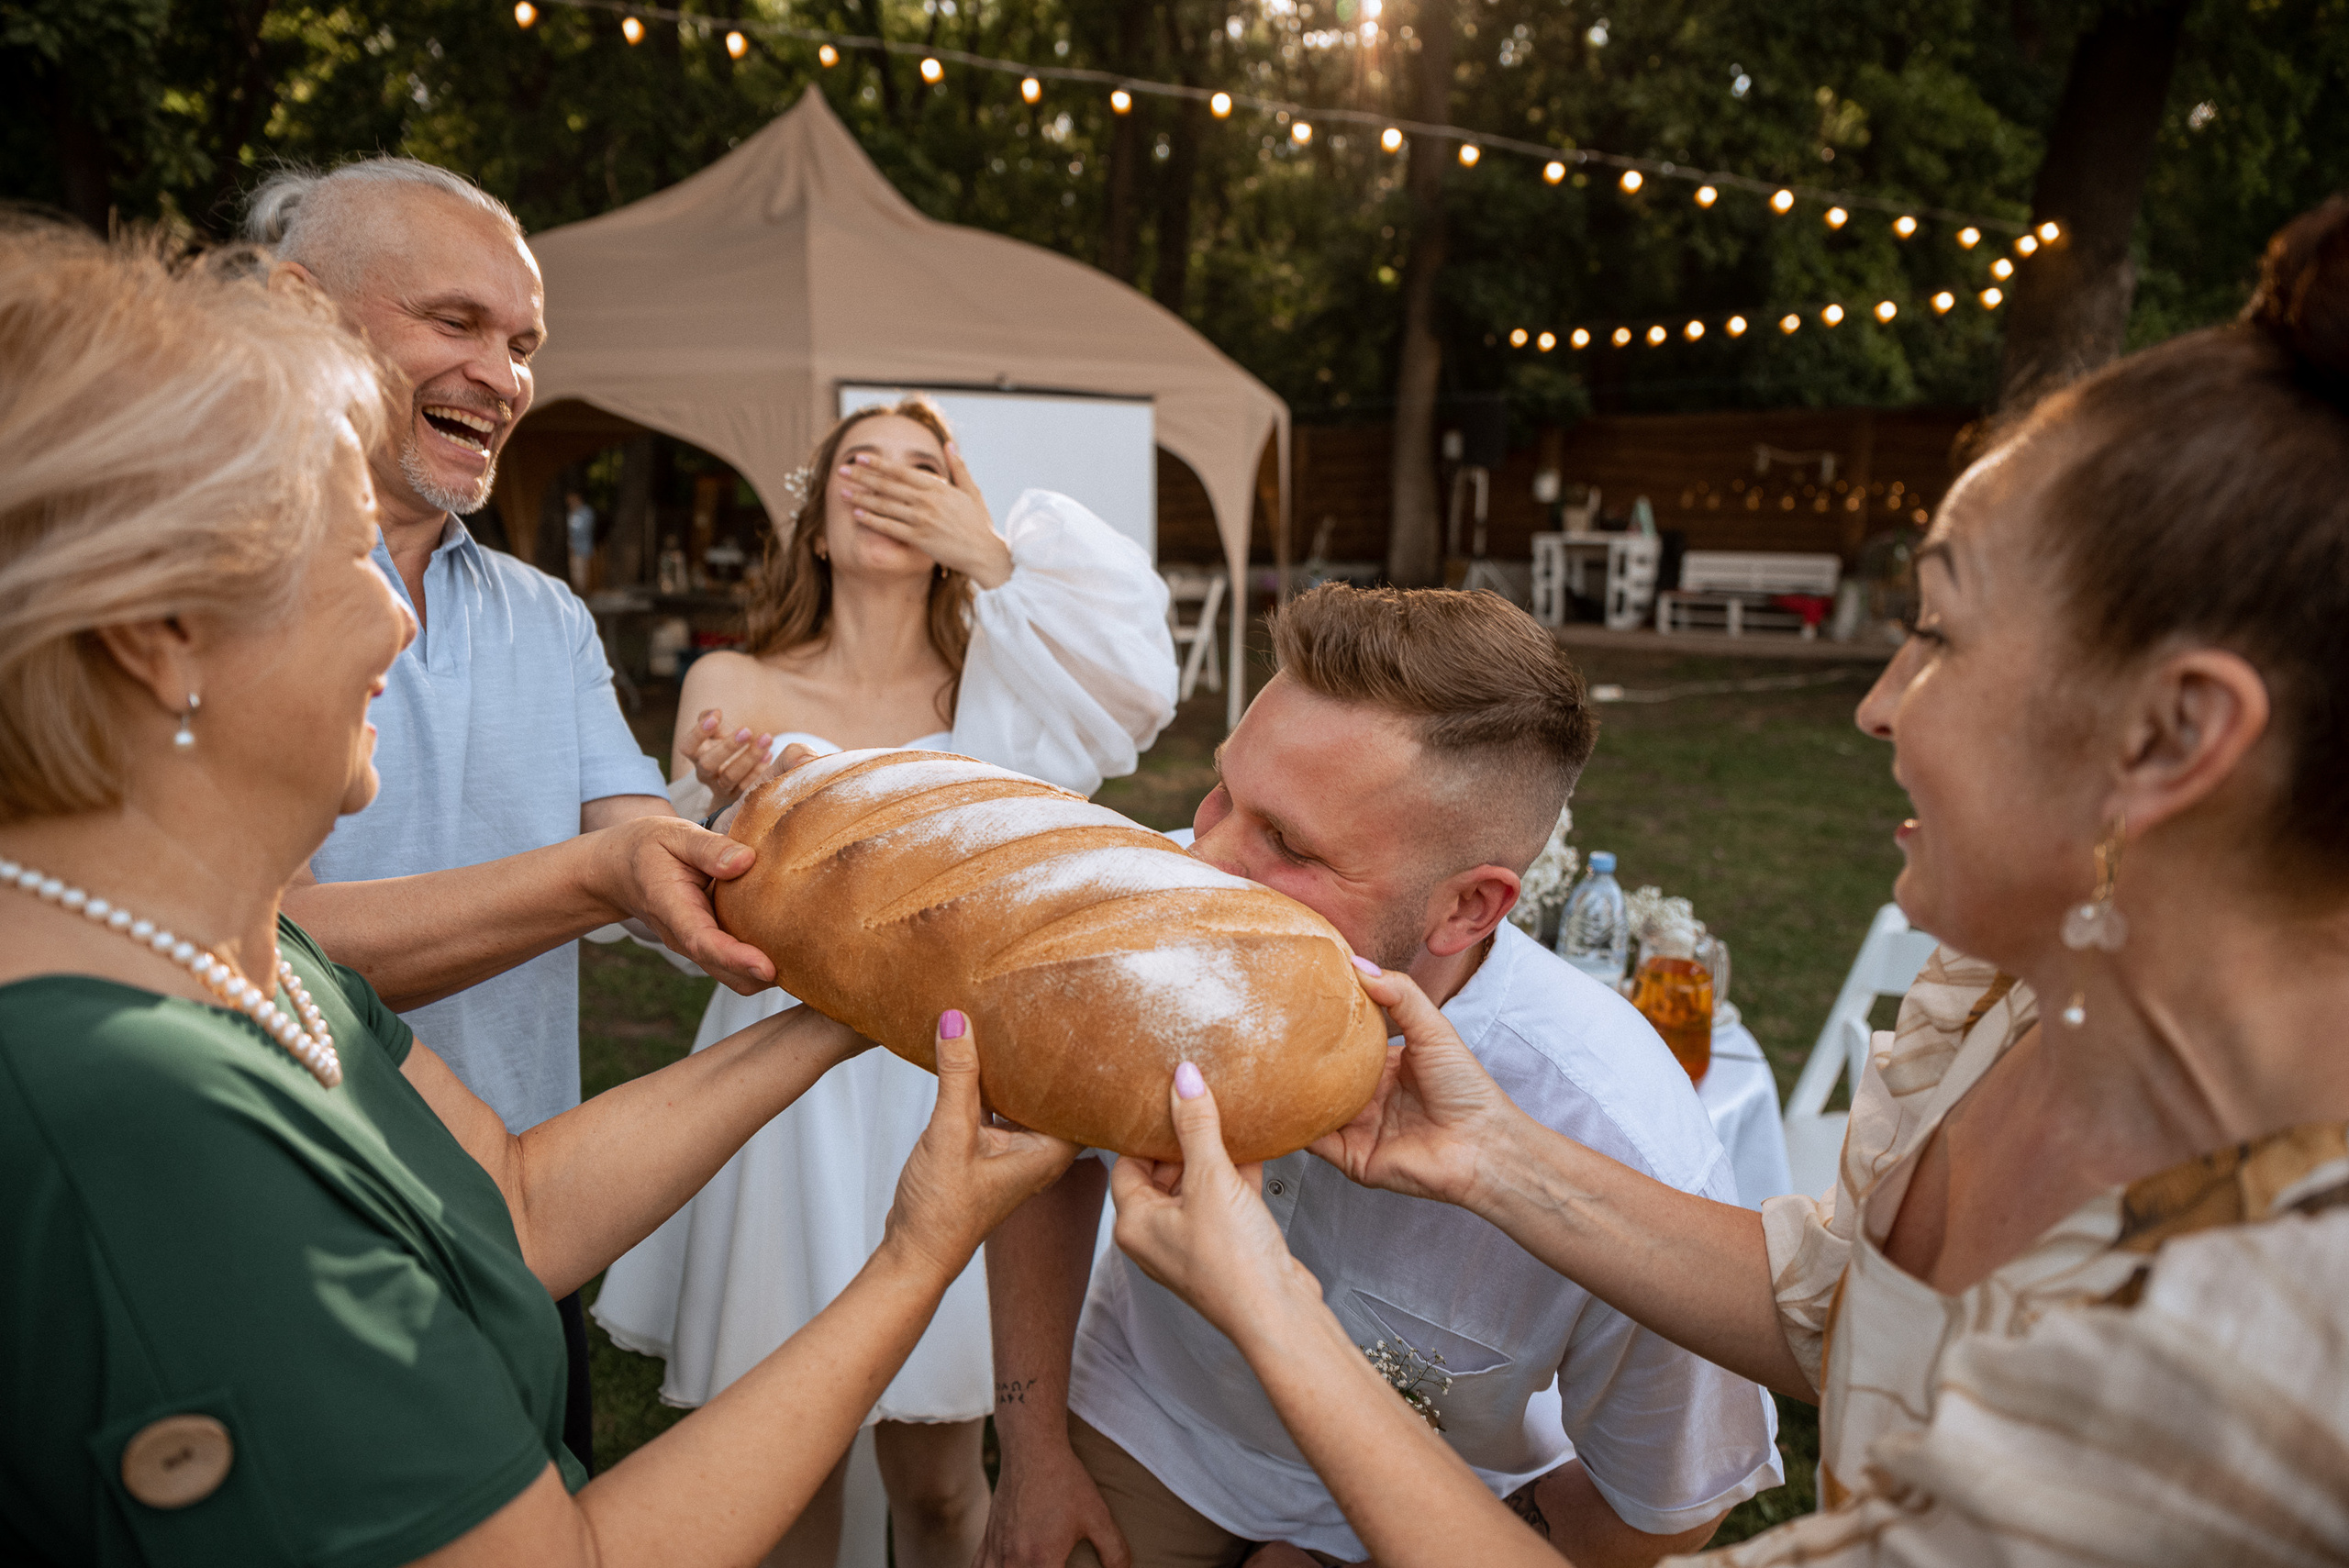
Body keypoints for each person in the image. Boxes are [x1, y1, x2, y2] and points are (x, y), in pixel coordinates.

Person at [1105, 198, 2349, 1565]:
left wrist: (1273, 1311)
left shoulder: (2257, 1358)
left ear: (2171, 736)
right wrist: (1494, 1159)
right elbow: (1841, 1298)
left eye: (1937, 630)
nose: (1880, 706)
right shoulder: (2010, 1005)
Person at [0, 223, 1077, 1567]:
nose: (402, 620)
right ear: (159, 633)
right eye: (349, 560)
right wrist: (916, 1257)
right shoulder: (136, 1111)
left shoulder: (251, 949)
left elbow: (513, 1202)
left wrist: (855, 998)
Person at [978, 584, 1783, 1568]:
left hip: (1442, 1499)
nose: (1200, 859)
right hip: (1151, 1424)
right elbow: (1041, 1150)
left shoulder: (1621, 1133)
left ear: (1468, 907)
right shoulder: (1139, 913)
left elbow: (1664, 1506)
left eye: (1288, 843)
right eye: (1222, 791)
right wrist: (1029, 1451)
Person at [242, 156, 773, 1468]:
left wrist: (764, 827)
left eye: (524, 341)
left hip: (536, 1222)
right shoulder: (209, 582)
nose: (504, 374)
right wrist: (611, 873)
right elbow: (251, 944)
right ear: (302, 309)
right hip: (287, 1223)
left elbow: (645, 852)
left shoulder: (547, 613)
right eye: (455, 323)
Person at [594, 396, 1177, 1568]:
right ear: (817, 519)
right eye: (862, 463)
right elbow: (681, 920)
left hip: (942, 1077)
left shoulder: (1008, 685)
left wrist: (995, 556)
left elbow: (1138, 687)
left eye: (925, 468)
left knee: (943, 1476)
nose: (890, 482)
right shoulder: (735, 681)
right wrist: (710, 810)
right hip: (781, 1089)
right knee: (784, 1463)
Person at [565, 490, 596, 594]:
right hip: (573, 548)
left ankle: (583, 593)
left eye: (571, 501)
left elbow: (581, 530)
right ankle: (579, 592)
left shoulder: (585, 512)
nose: (570, 504)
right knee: (574, 572)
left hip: (582, 548)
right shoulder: (571, 513)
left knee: (581, 572)